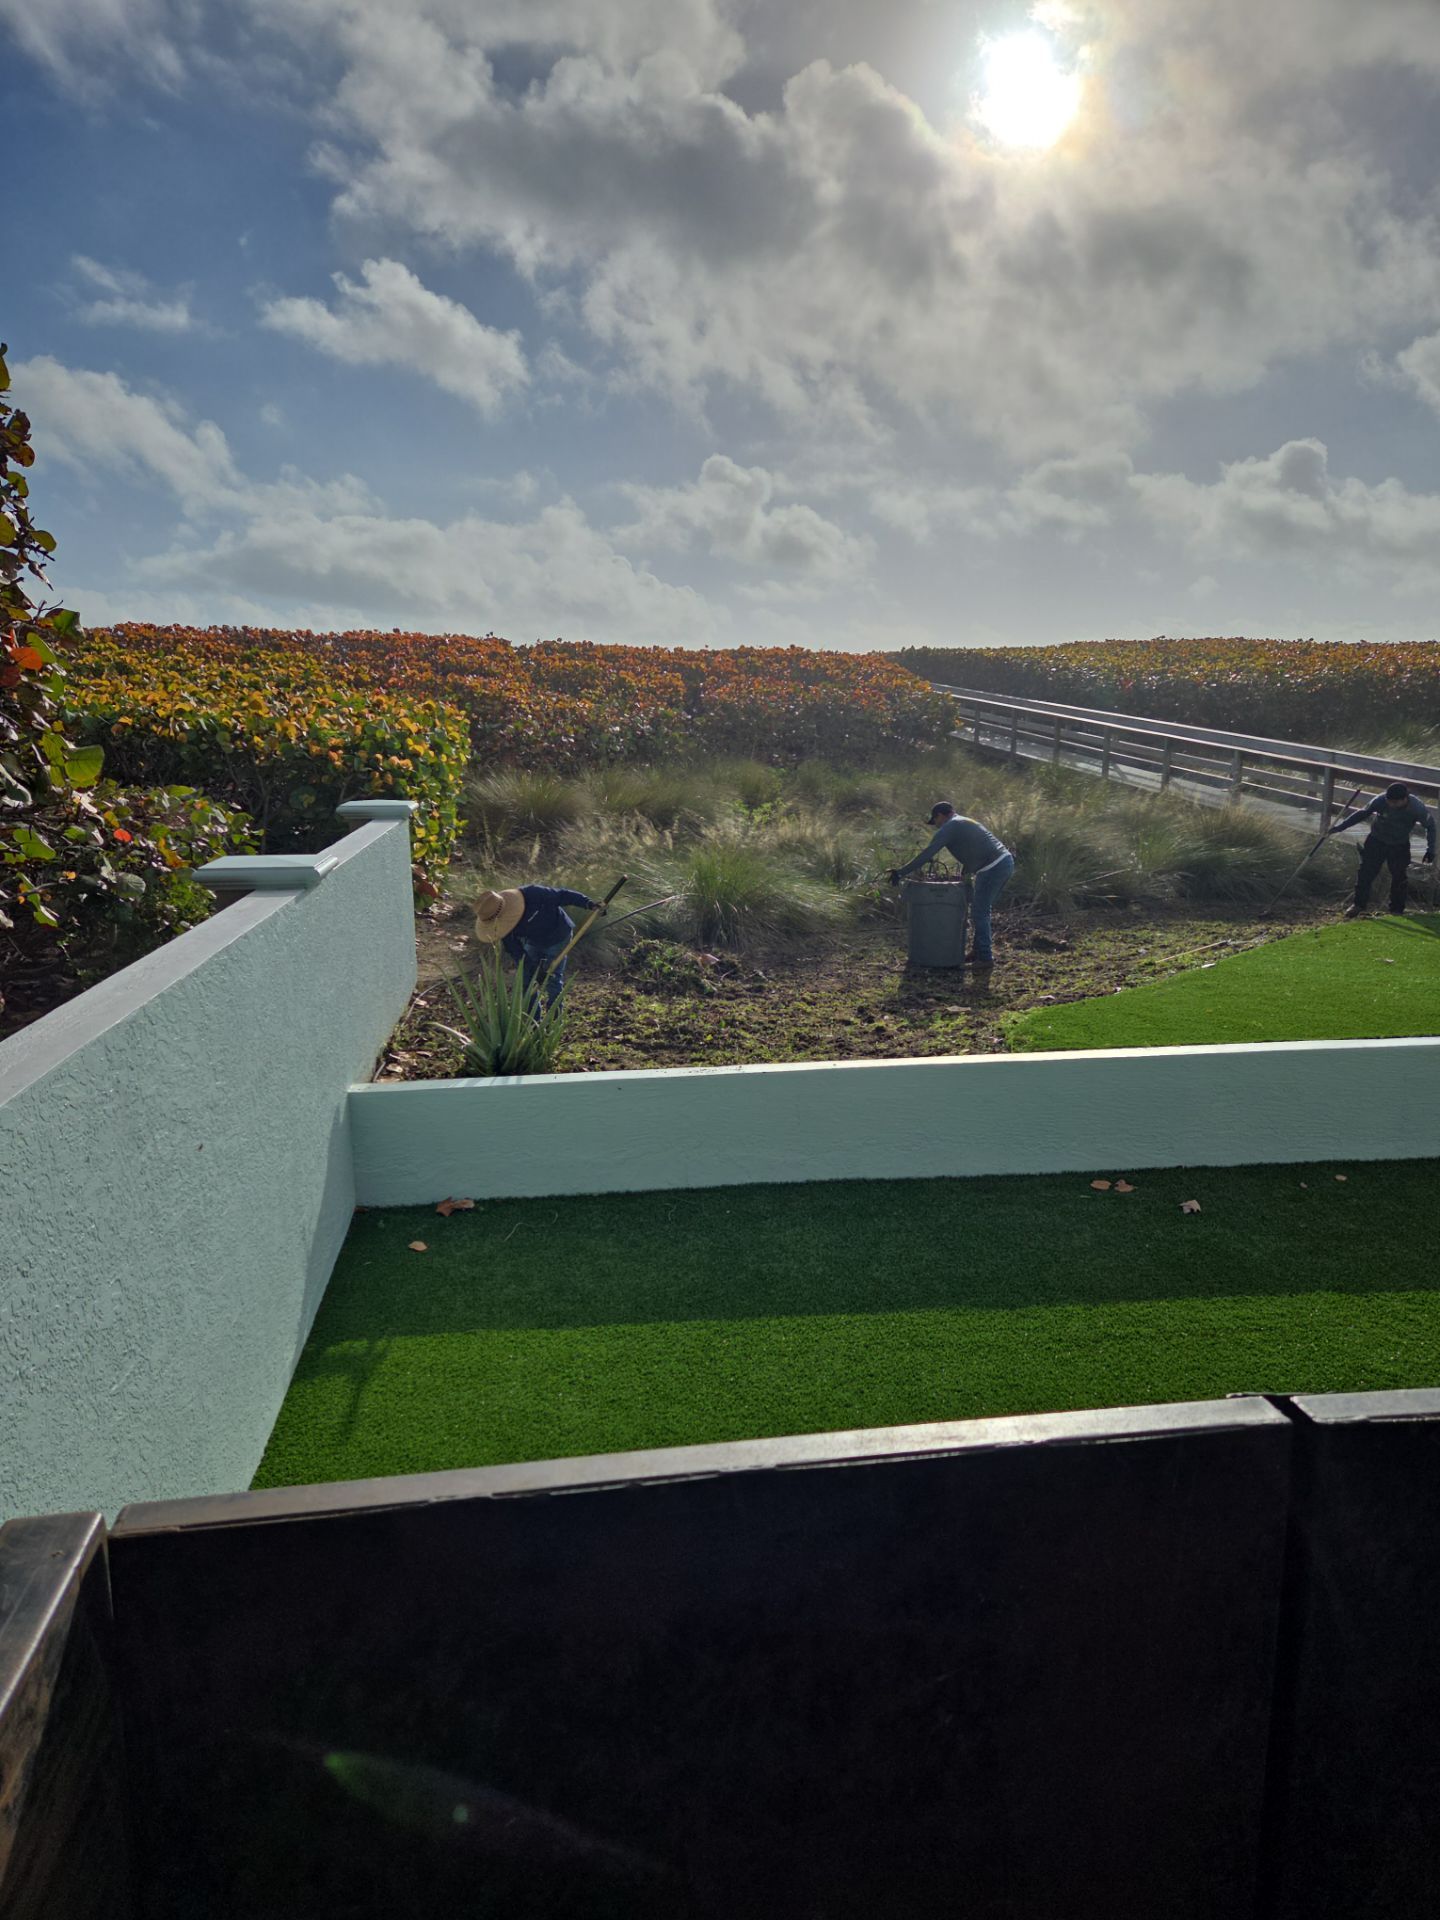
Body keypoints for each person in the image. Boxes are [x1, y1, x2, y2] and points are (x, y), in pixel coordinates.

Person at [889, 802, 1015, 968]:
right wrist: (963, 875)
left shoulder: (951, 826)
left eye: (935, 821)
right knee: (982, 910)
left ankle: (985, 958)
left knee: (980, 912)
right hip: (1002, 862)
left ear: (941, 815)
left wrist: (901, 872)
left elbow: (928, 853)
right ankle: (979, 952)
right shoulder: (962, 822)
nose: (936, 826)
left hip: (993, 867)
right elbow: (975, 849)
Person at [472, 884, 606, 1007]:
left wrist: (588, 904)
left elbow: (563, 895)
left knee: (552, 978)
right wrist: (533, 969)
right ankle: (533, 1022)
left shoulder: (532, 894)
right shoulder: (502, 929)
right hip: (534, 942)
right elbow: (516, 951)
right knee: (526, 981)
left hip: (558, 935)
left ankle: (554, 1018)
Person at [1326, 782, 1435, 918]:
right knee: (1365, 873)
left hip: (1399, 845)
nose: (1391, 805)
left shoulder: (1417, 807)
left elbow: (1430, 826)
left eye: (1395, 802)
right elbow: (1362, 814)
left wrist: (1431, 849)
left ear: (1405, 799)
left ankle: (1396, 910)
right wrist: (1340, 827)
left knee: (1399, 877)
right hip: (1376, 840)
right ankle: (1358, 905)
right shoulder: (1380, 800)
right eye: (1389, 801)